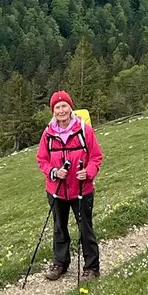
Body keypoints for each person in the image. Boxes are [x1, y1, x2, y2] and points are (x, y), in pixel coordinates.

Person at [36, 90, 101, 280]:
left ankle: (92, 267)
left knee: (85, 227)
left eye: (64, 106)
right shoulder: (48, 134)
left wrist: (88, 172)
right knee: (59, 227)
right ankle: (60, 264)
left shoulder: (83, 130)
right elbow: (42, 159)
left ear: (71, 107)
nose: (61, 110)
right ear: (53, 111)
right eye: (57, 107)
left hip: (82, 188)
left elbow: (96, 157)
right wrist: (54, 172)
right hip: (56, 190)